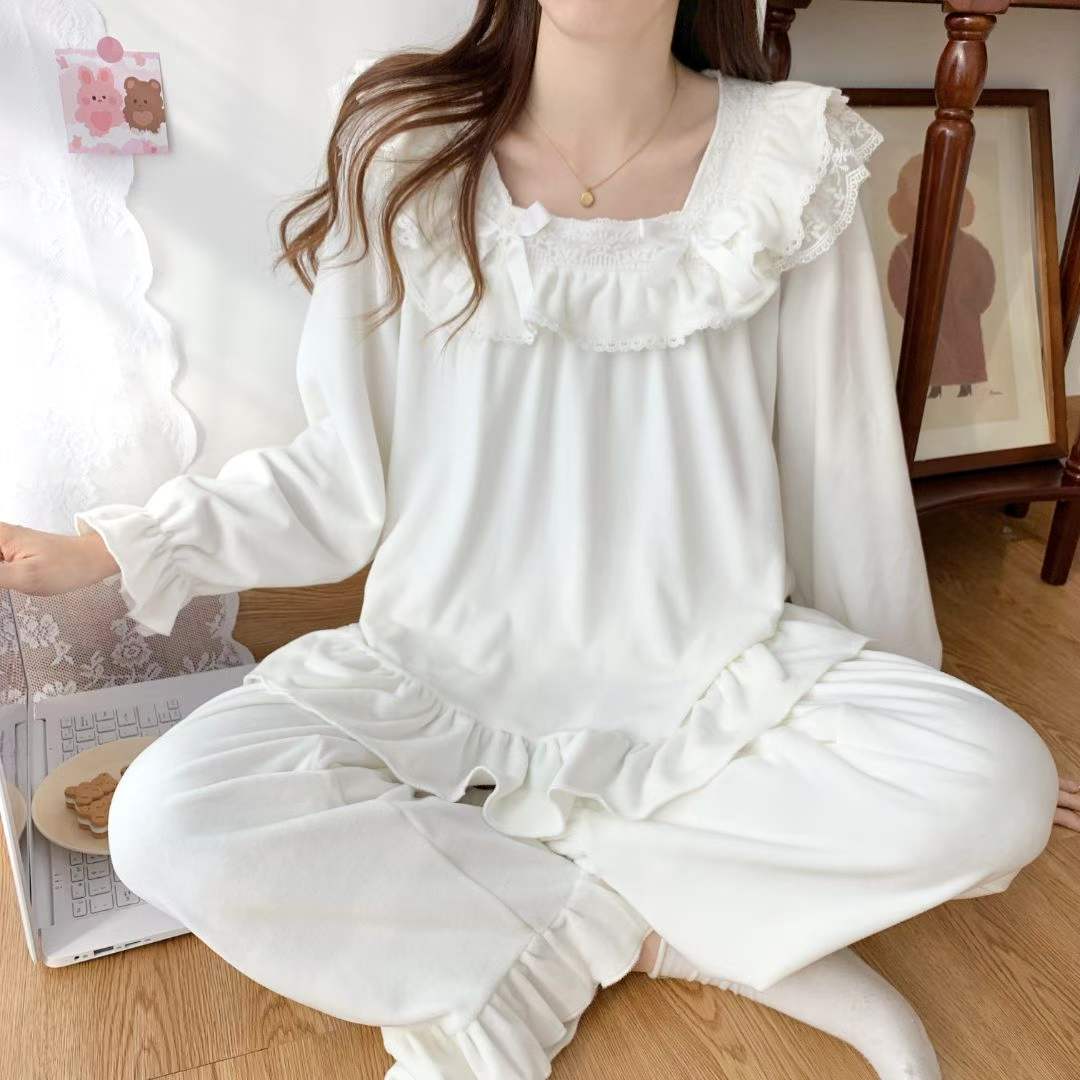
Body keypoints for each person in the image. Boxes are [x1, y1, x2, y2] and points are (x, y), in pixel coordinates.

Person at [0, 2, 1069, 1078]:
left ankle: (533, 912)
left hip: (707, 684)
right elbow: (340, 475)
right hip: (441, 674)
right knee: (165, 819)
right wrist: (120, 548)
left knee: (1001, 789)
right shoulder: (406, 150)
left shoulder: (793, 157)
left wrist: (914, 732)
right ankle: (642, 926)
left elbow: (842, 483)